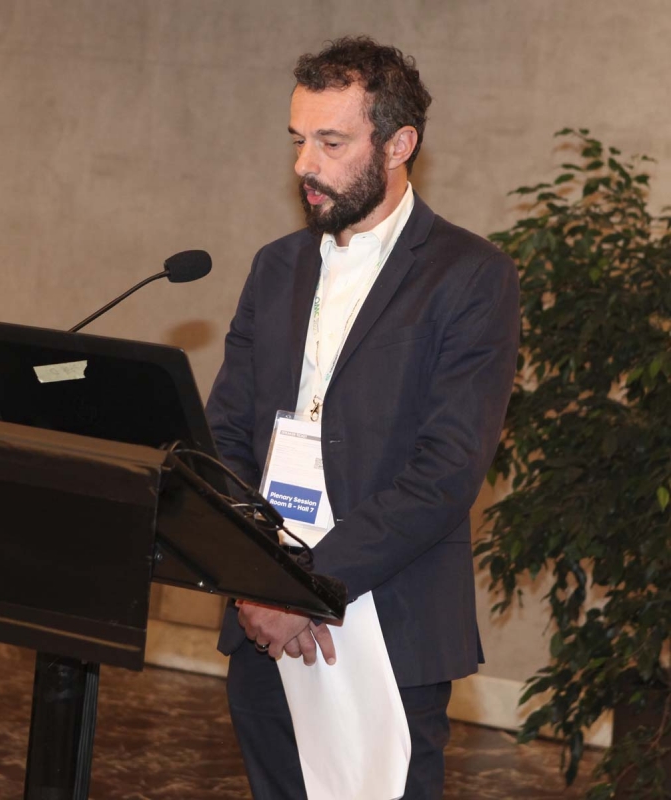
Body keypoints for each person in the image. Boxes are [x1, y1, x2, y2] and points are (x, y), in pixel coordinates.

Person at [206, 35, 520, 800]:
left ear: (398, 145)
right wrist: (259, 581)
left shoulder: (471, 276)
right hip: (262, 627)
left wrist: (303, 587)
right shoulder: (275, 267)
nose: (304, 164)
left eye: (331, 142)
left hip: (390, 622)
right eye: (298, 140)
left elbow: (445, 471)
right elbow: (225, 437)